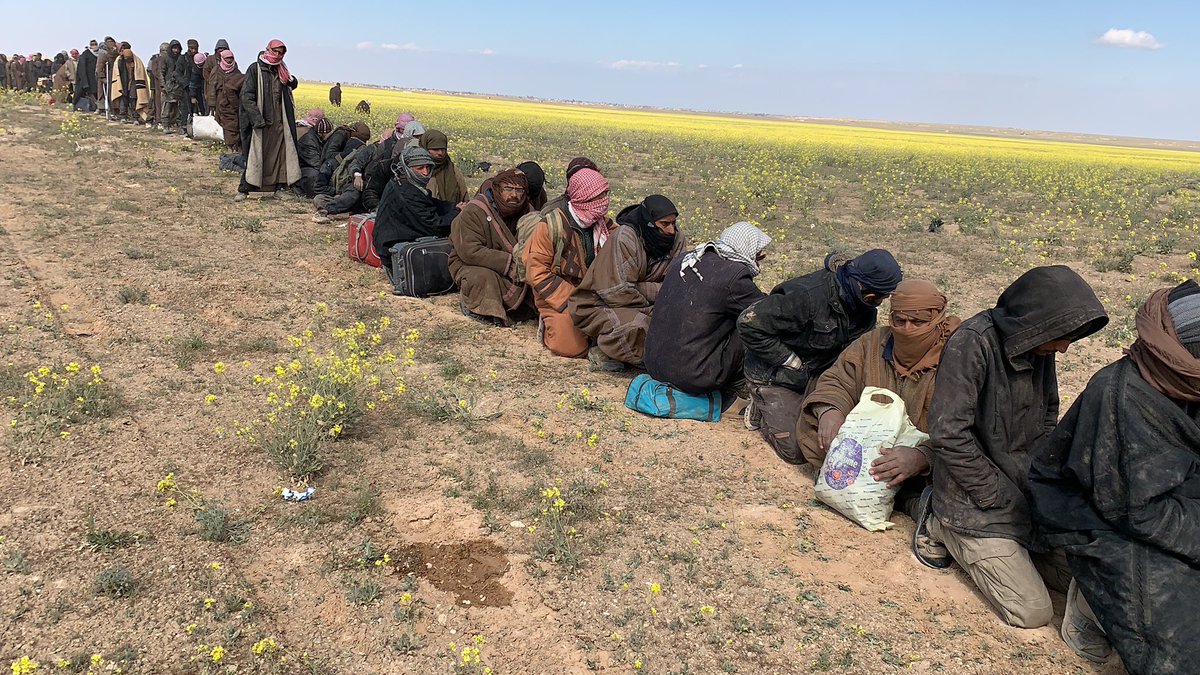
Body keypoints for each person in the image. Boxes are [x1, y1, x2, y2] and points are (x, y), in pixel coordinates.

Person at [914, 265, 1108, 630]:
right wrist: (996, 494)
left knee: (1089, 586)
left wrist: (1040, 477)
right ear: (1036, 322)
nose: (1064, 347)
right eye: (1062, 336)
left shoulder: (1038, 344)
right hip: (972, 499)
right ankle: (939, 524)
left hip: (1022, 489)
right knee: (1032, 611)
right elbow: (948, 435)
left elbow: (1049, 410)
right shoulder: (972, 343)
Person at [1028, 280, 1200, 671]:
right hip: (1099, 515)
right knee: (1184, 643)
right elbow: (1134, 511)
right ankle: (1090, 606)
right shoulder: (1122, 397)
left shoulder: (1187, 382)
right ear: (1185, 354)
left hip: (1168, 498)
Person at [796, 279, 960, 510]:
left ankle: (914, 499)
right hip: (868, 451)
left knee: (953, 494)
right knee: (804, 442)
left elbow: (966, 427)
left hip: (928, 461)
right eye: (900, 320)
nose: (907, 329)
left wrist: (923, 457)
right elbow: (838, 380)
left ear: (938, 319)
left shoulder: (958, 355)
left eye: (918, 322)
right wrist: (830, 410)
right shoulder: (872, 343)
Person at [738, 250, 902, 464]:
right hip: (777, 376)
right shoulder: (806, 296)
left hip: (818, 371)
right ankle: (761, 408)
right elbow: (748, 323)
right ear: (866, 290)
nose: (881, 302)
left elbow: (855, 351)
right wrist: (790, 361)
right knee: (797, 450)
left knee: (848, 433)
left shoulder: (863, 307)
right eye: (881, 296)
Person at [644, 221, 773, 399]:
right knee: (751, 324)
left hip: (654, 365)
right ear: (748, 250)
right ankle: (737, 385)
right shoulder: (734, 276)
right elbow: (766, 312)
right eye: (758, 255)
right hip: (693, 375)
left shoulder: (687, 259)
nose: (758, 261)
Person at [570, 194, 688, 371]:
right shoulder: (625, 238)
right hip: (601, 304)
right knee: (637, 327)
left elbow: (678, 282)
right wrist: (658, 297)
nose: (671, 230)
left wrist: (647, 291)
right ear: (649, 222)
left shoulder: (677, 239)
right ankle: (603, 350)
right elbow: (618, 291)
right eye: (665, 224)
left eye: (673, 223)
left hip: (648, 302)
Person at [524, 167, 613, 358]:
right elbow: (537, 271)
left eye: (606, 194)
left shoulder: (603, 224)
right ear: (584, 198)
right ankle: (548, 324)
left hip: (593, 292)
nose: (605, 201)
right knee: (570, 347)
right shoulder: (550, 226)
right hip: (559, 295)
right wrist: (575, 298)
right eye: (600, 196)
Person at [449, 168, 536, 326]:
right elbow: (470, 250)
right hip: (471, 262)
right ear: (497, 189)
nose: (514, 195)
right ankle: (479, 308)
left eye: (519, 190)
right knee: (483, 278)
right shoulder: (475, 210)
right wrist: (508, 264)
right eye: (508, 189)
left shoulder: (528, 212)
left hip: (517, 266)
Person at [374, 145, 459, 275]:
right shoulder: (407, 192)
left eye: (428, 167)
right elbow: (435, 226)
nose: (425, 172)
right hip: (393, 251)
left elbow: (429, 203)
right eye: (420, 168)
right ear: (407, 168)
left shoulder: (402, 182)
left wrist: (454, 207)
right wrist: (457, 213)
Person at [236, 40, 300, 201]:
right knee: (255, 155)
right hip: (261, 122)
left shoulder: (282, 70)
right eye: (275, 51)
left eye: (281, 52)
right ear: (268, 50)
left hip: (279, 122)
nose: (278, 55)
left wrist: (292, 81)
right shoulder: (255, 69)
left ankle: (279, 188)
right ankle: (244, 189)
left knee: (280, 156)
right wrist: (257, 118)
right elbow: (247, 96)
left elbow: (291, 85)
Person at [419, 129, 468, 204]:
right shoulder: (416, 169)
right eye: (435, 149)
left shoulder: (451, 169)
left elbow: (464, 195)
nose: (440, 153)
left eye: (443, 149)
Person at [209, 49, 243, 153]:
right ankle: (229, 146)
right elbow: (211, 87)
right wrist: (212, 103)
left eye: (231, 58)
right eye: (227, 58)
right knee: (227, 125)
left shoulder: (236, 71)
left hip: (233, 102)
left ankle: (236, 145)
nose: (229, 60)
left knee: (235, 124)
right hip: (221, 102)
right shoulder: (216, 70)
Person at [296, 116, 334, 198]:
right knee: (316, 176)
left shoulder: (320, 139)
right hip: (304, 169)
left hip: (314, 166)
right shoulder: (308, 141)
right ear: (321, 133)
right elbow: (316, 163)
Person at [111, 46, 149, 124]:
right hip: (123, 83)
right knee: (123, 100)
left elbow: (140, 74)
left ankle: (135, 118)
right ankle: (123, 116)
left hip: (134, 83)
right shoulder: (119, 61)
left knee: (133, 100)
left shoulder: (136, 62)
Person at [161, 40, 187, 133]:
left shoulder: (181, 58)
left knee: (179, 108)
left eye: (177, 48)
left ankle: (179, 126)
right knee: (167, 107)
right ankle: (165, 126)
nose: (176, 50)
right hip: (168, 86)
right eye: (174, 48)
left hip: (179, 86)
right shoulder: (165, 58)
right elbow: (161, 73)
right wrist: (163, 86)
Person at [202, 39, 228, 114]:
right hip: (211, 88)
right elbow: (205, 72)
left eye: (224, 50)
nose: (221, 52)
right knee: (210, 109)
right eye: (220, 50)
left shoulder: (230, 60)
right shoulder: (210, 59)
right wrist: (212, 81)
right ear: (216, 50)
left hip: (225, 88)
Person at [189, 52, 208, 116]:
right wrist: (192, 96)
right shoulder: (195, 71)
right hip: (200, 90)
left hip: (209, 86)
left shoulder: (210, 63)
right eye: (201, 65)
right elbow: (193, 84)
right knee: (203, 106)